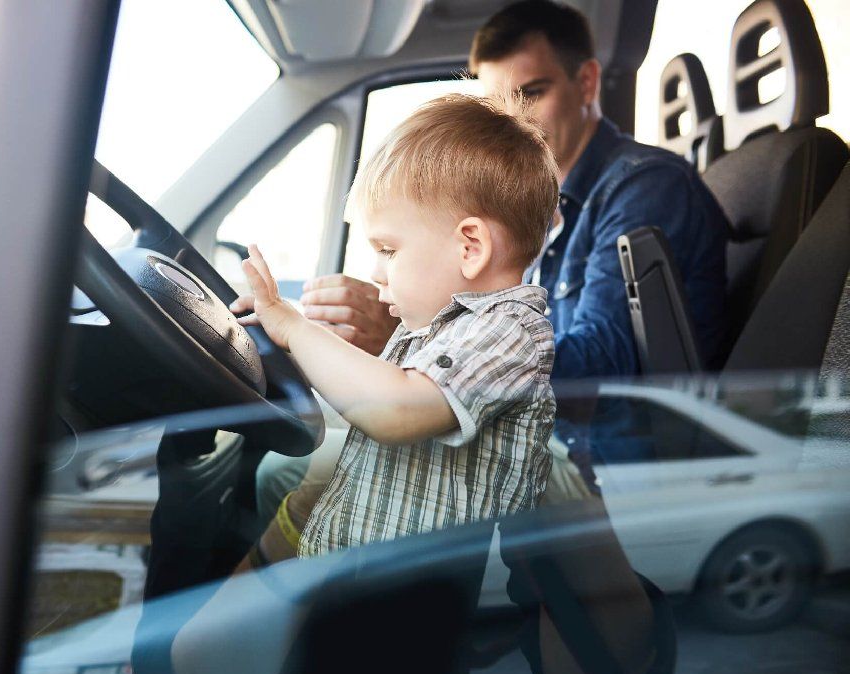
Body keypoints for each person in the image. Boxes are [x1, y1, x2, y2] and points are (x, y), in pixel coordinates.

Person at [253, 0, 730, 512]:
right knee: (304, 459)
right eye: (498, 106)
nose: (514, 120)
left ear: (587, 84)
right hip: (549, 434)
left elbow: (602, 364)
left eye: (531, 94)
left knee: (291, 471)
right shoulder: (535, 206)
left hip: (602, 463)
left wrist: (407, 338)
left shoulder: (644, 187)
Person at [232, 92, 559, 558]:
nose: (376, 271)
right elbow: (364, 389)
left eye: (388, 250)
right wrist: (290, 347)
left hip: (403, 605)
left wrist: (295, 330)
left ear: (470, 246)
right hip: (356, 582)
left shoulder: (510, 332)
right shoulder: (431, 327)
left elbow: (395, 410)